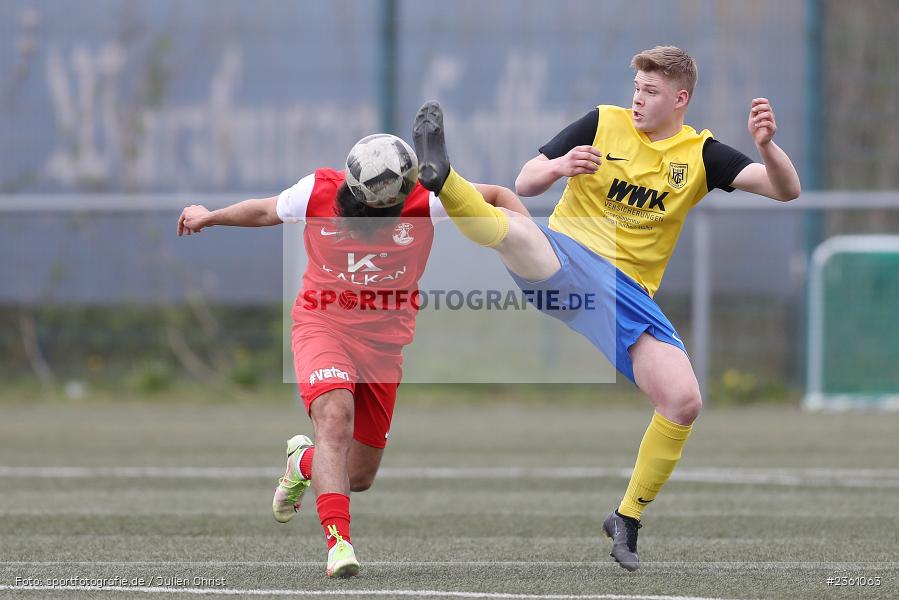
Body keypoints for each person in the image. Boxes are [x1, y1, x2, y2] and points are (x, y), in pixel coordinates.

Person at [412, 45, 800, 571]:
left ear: (680, 98)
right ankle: (443, 178)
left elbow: (786, 189)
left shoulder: (701, 156)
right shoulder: (602, 123)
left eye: (652, 92)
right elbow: (528, 179)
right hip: (568, 259)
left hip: (625, 297)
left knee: (683, 401)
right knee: (510, 204)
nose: (638, 100)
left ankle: (627, 518)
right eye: (636, 89)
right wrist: (559, 166)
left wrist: (768, 146)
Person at [177, 134, 529, 578]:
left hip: (384, 346)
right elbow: (266, 210)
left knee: (357, 476)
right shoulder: (316, 191)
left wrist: (530, 240)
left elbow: (496, 195)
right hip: (322, 325)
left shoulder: (427, 199)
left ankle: (302, 463)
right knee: (334, 421)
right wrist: (209, 217)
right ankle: (338, 544)